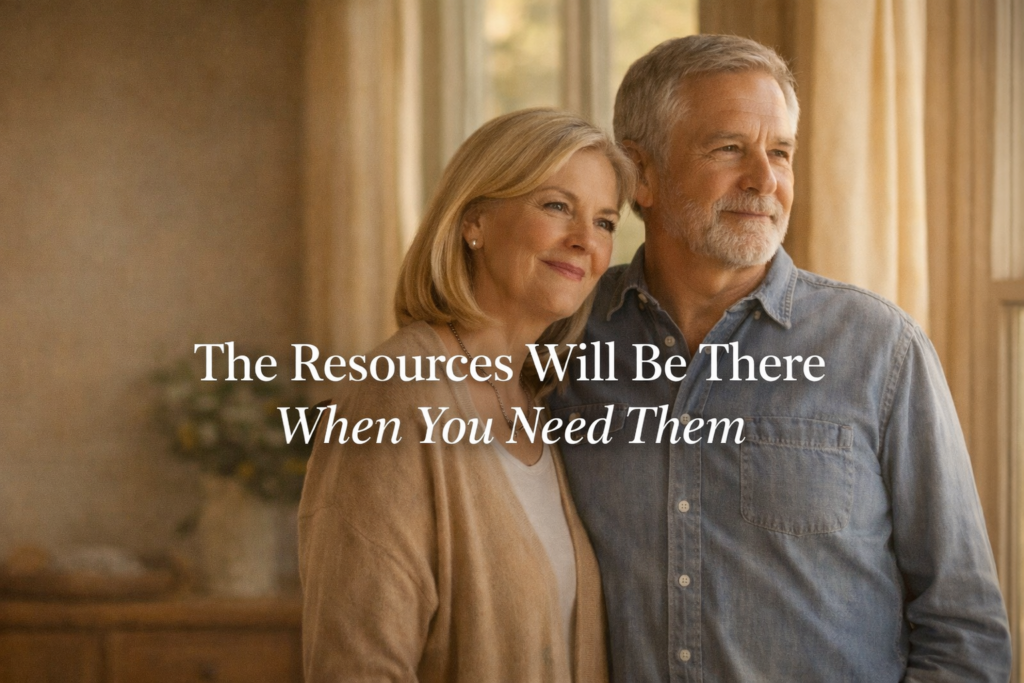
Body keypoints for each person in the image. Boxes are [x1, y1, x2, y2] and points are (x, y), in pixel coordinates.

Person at [547, 34, 1012, 682]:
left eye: (781, 153)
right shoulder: (564, 343)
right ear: (641, 174)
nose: (765, 180)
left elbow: (965, 632)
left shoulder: (880, 349)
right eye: (729, 148)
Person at [298, 108, 636, 683]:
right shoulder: (396, 396)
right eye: (557, 206)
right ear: (474, 221)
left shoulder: (544, 402)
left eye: (605, 222)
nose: (585, 241)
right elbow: (357, 665)